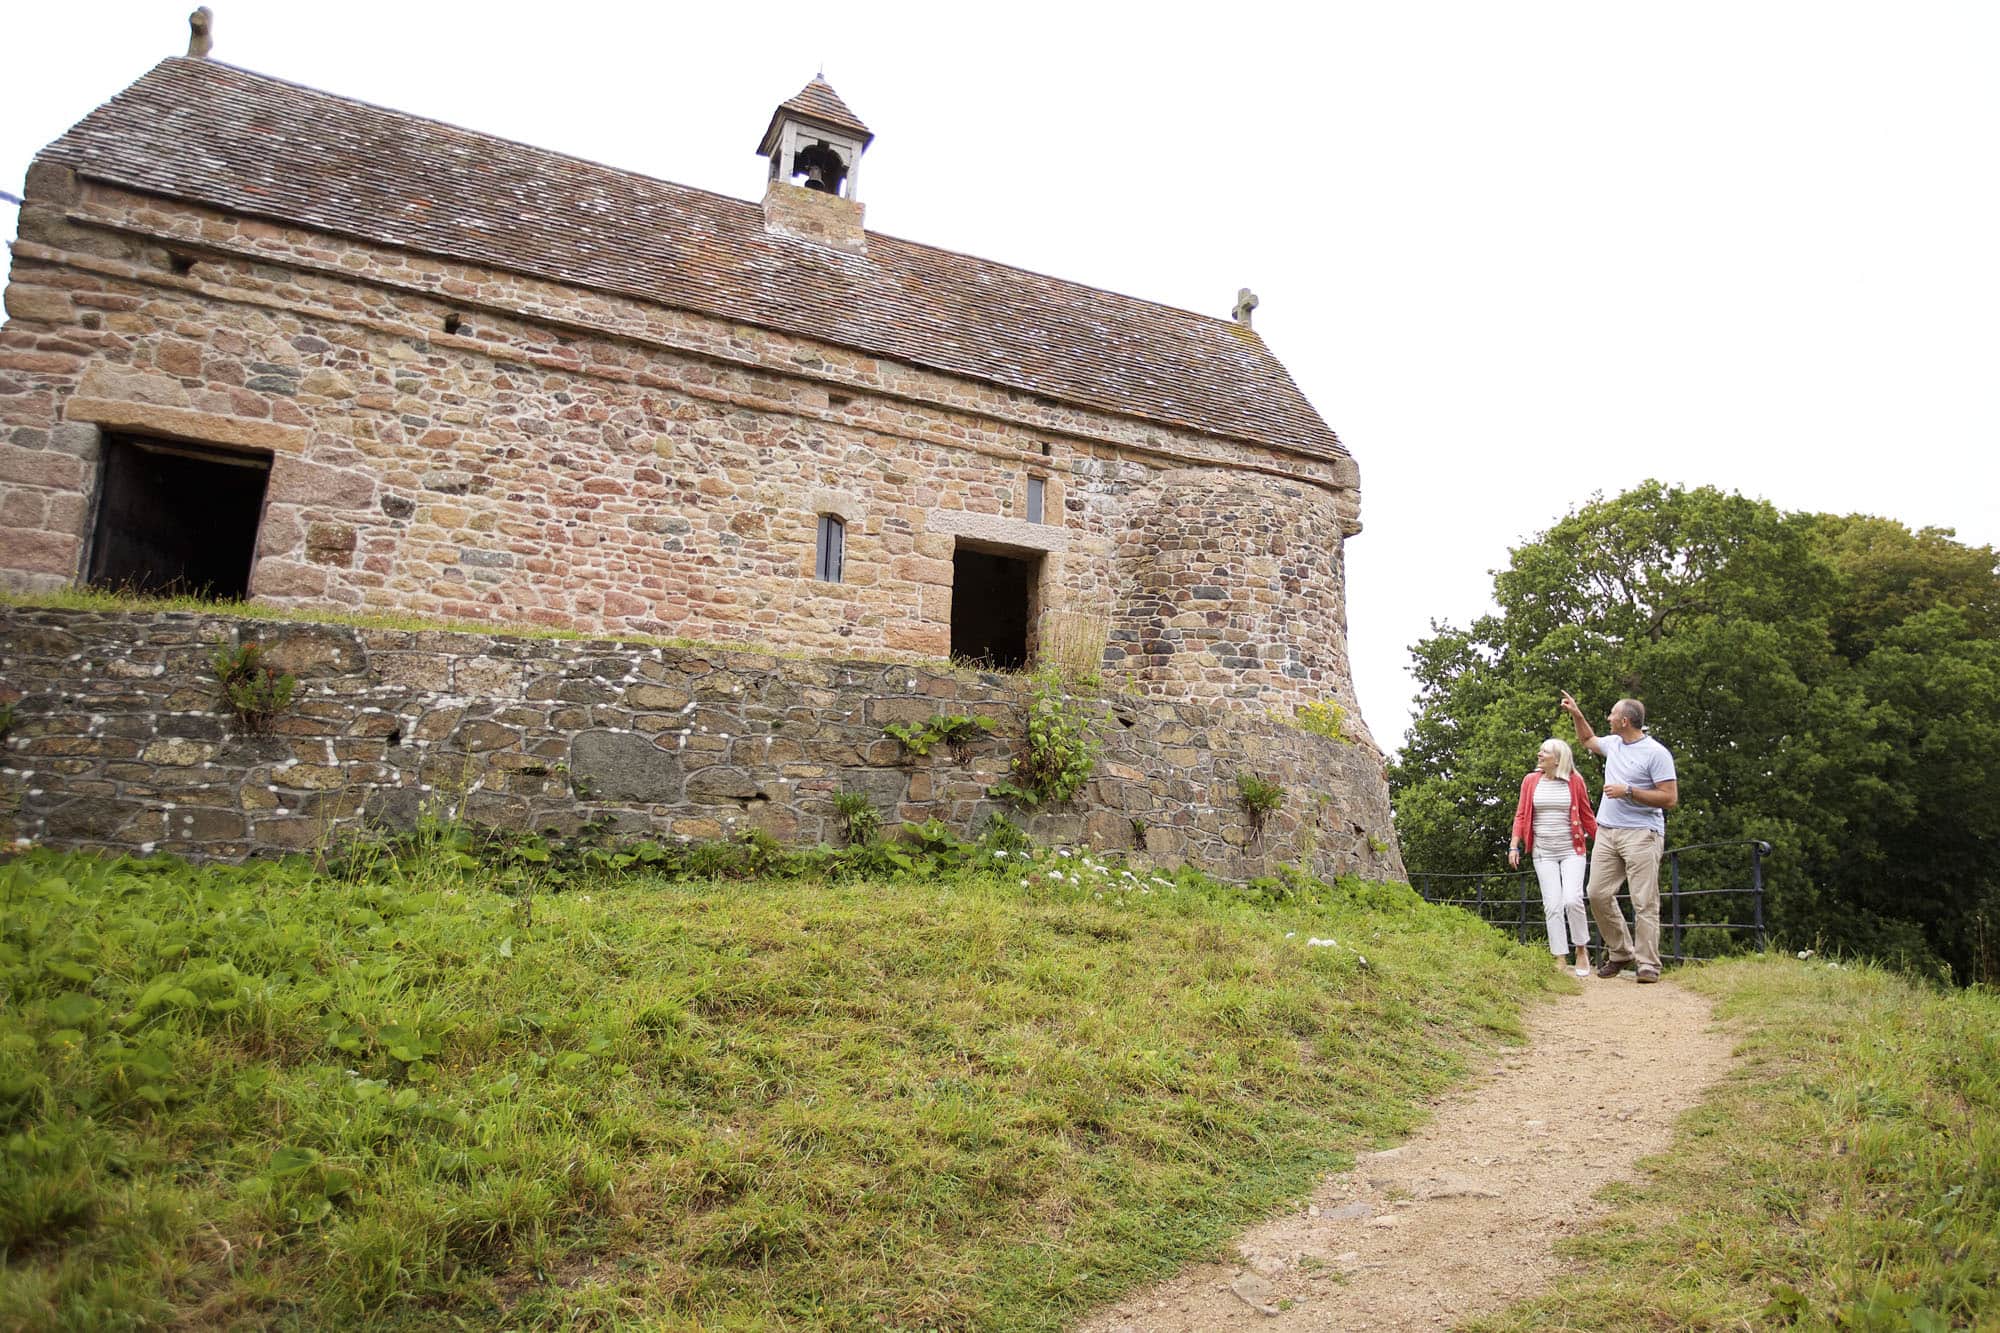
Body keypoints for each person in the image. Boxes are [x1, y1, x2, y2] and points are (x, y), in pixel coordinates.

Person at [1560, 691, 1679, 984]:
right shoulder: (1614, 744)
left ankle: (1648, 964)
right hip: (1608, 832)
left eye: (1612, 714)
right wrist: (1577, 714)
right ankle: (1621, 951)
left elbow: (1669, 798)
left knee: (1644, 901)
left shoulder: (1656, 753)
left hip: (1642, 835)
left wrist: (1629, 791)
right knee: (1597, 893)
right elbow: (1587, 740)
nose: (1608, 718)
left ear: (1625, 721)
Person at [1508, 737, 1597, 977]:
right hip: (1543, 852)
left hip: (1572, 850)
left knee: (1572, 899)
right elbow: (1521, 815)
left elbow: (1587, 816)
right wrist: (1513, 846)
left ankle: (1581, 949)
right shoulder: (1530, 781)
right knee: (1553, 905)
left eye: (1544, 752)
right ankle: (1559, 955)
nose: (1539, 754)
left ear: (1557, 759)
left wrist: (1606, 844)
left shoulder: (1575, 782)